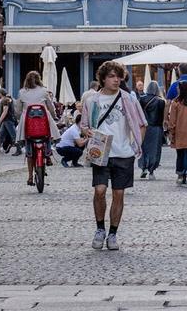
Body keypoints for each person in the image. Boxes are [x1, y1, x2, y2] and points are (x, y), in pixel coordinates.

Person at [78, 61, 147, 251]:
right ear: (103, 78)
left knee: (119, 194)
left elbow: (142, 123)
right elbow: (83, 125)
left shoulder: (129, 99)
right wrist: (87, 132)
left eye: (118, 76)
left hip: (124, 153)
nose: (116, 80)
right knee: (99, 191)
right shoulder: (92, 100)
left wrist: (136, 146)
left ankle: (113, 233)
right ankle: (100, 229)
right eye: (111, 76)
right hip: (101, 153)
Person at [137, 81, 167, 179]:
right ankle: (151, 171)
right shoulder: (161, 101)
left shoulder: (141, 99)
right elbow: (162, 116)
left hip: (144, 127)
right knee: (154, 150)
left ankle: (143, 167)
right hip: (156, 128)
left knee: (144, 148)